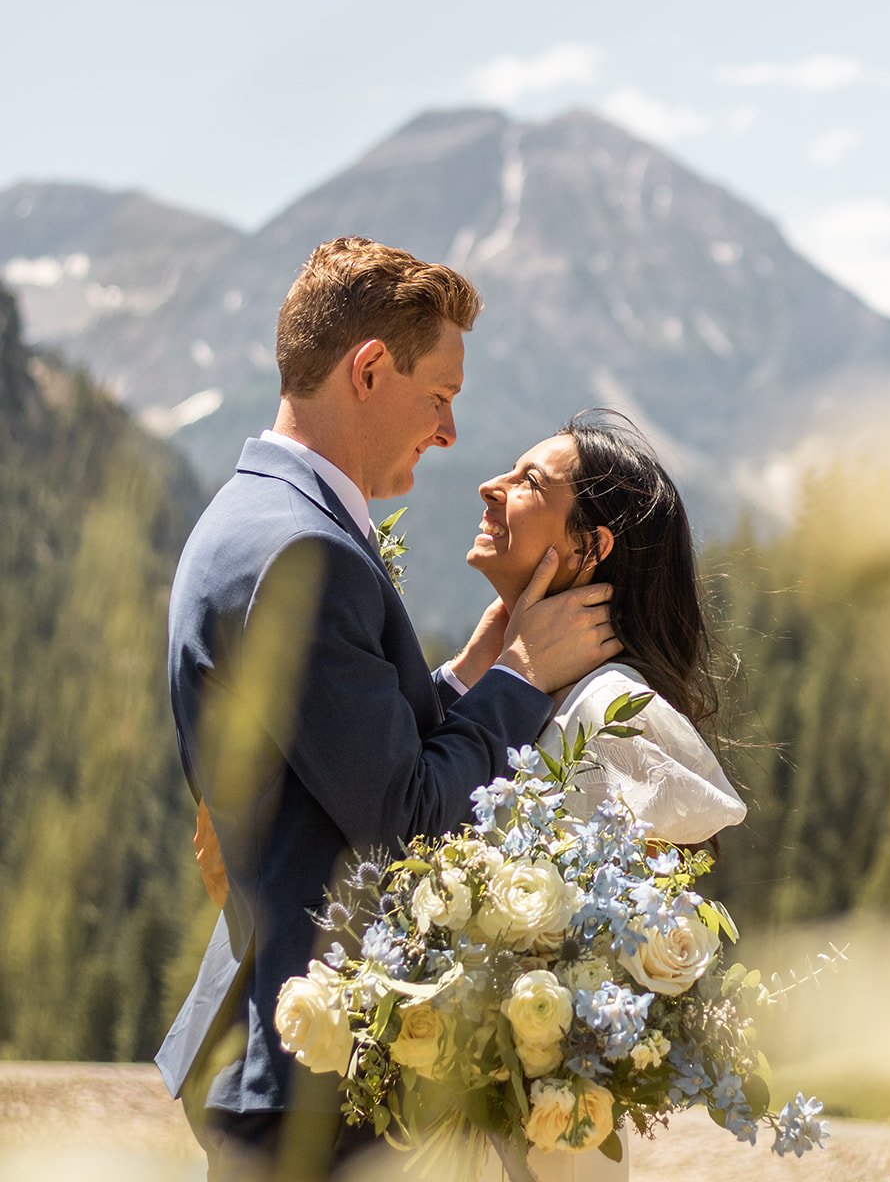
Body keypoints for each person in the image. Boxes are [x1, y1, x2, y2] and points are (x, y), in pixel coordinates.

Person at [156, 238, 617, 1182]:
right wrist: (525, 676)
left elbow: (337, 755)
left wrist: (478, 661)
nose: (449, 433)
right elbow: (402, 816)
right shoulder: (303, 552)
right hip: (317, 1081)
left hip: (284, 1056)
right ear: (369, 369)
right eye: (440, 396)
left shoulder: (258, 517)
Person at [464, 411, 746, 1182]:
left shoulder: (612, 714)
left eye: (529, 482)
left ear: (588, 548)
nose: (489, 486)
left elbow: (612, 961)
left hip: (544, 1142)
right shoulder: (531, 692)